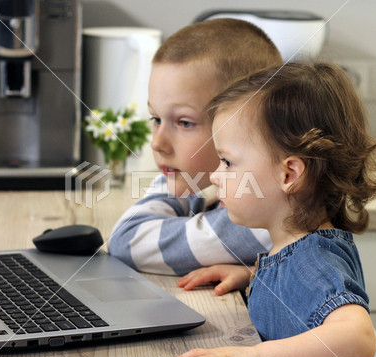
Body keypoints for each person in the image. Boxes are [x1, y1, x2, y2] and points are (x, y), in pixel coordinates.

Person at [171, 62, 376, 357]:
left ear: (289, 175)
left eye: (227, 162)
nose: (216, 175)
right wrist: (253, 275)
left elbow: (358, 339)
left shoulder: (312, 262)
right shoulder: (299, 248)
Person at [108, 19, 282, 278]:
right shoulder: (208, 185)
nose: (157, 142)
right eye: (156, 119)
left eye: (185, 123)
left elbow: (127, 240)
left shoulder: (260, 214)